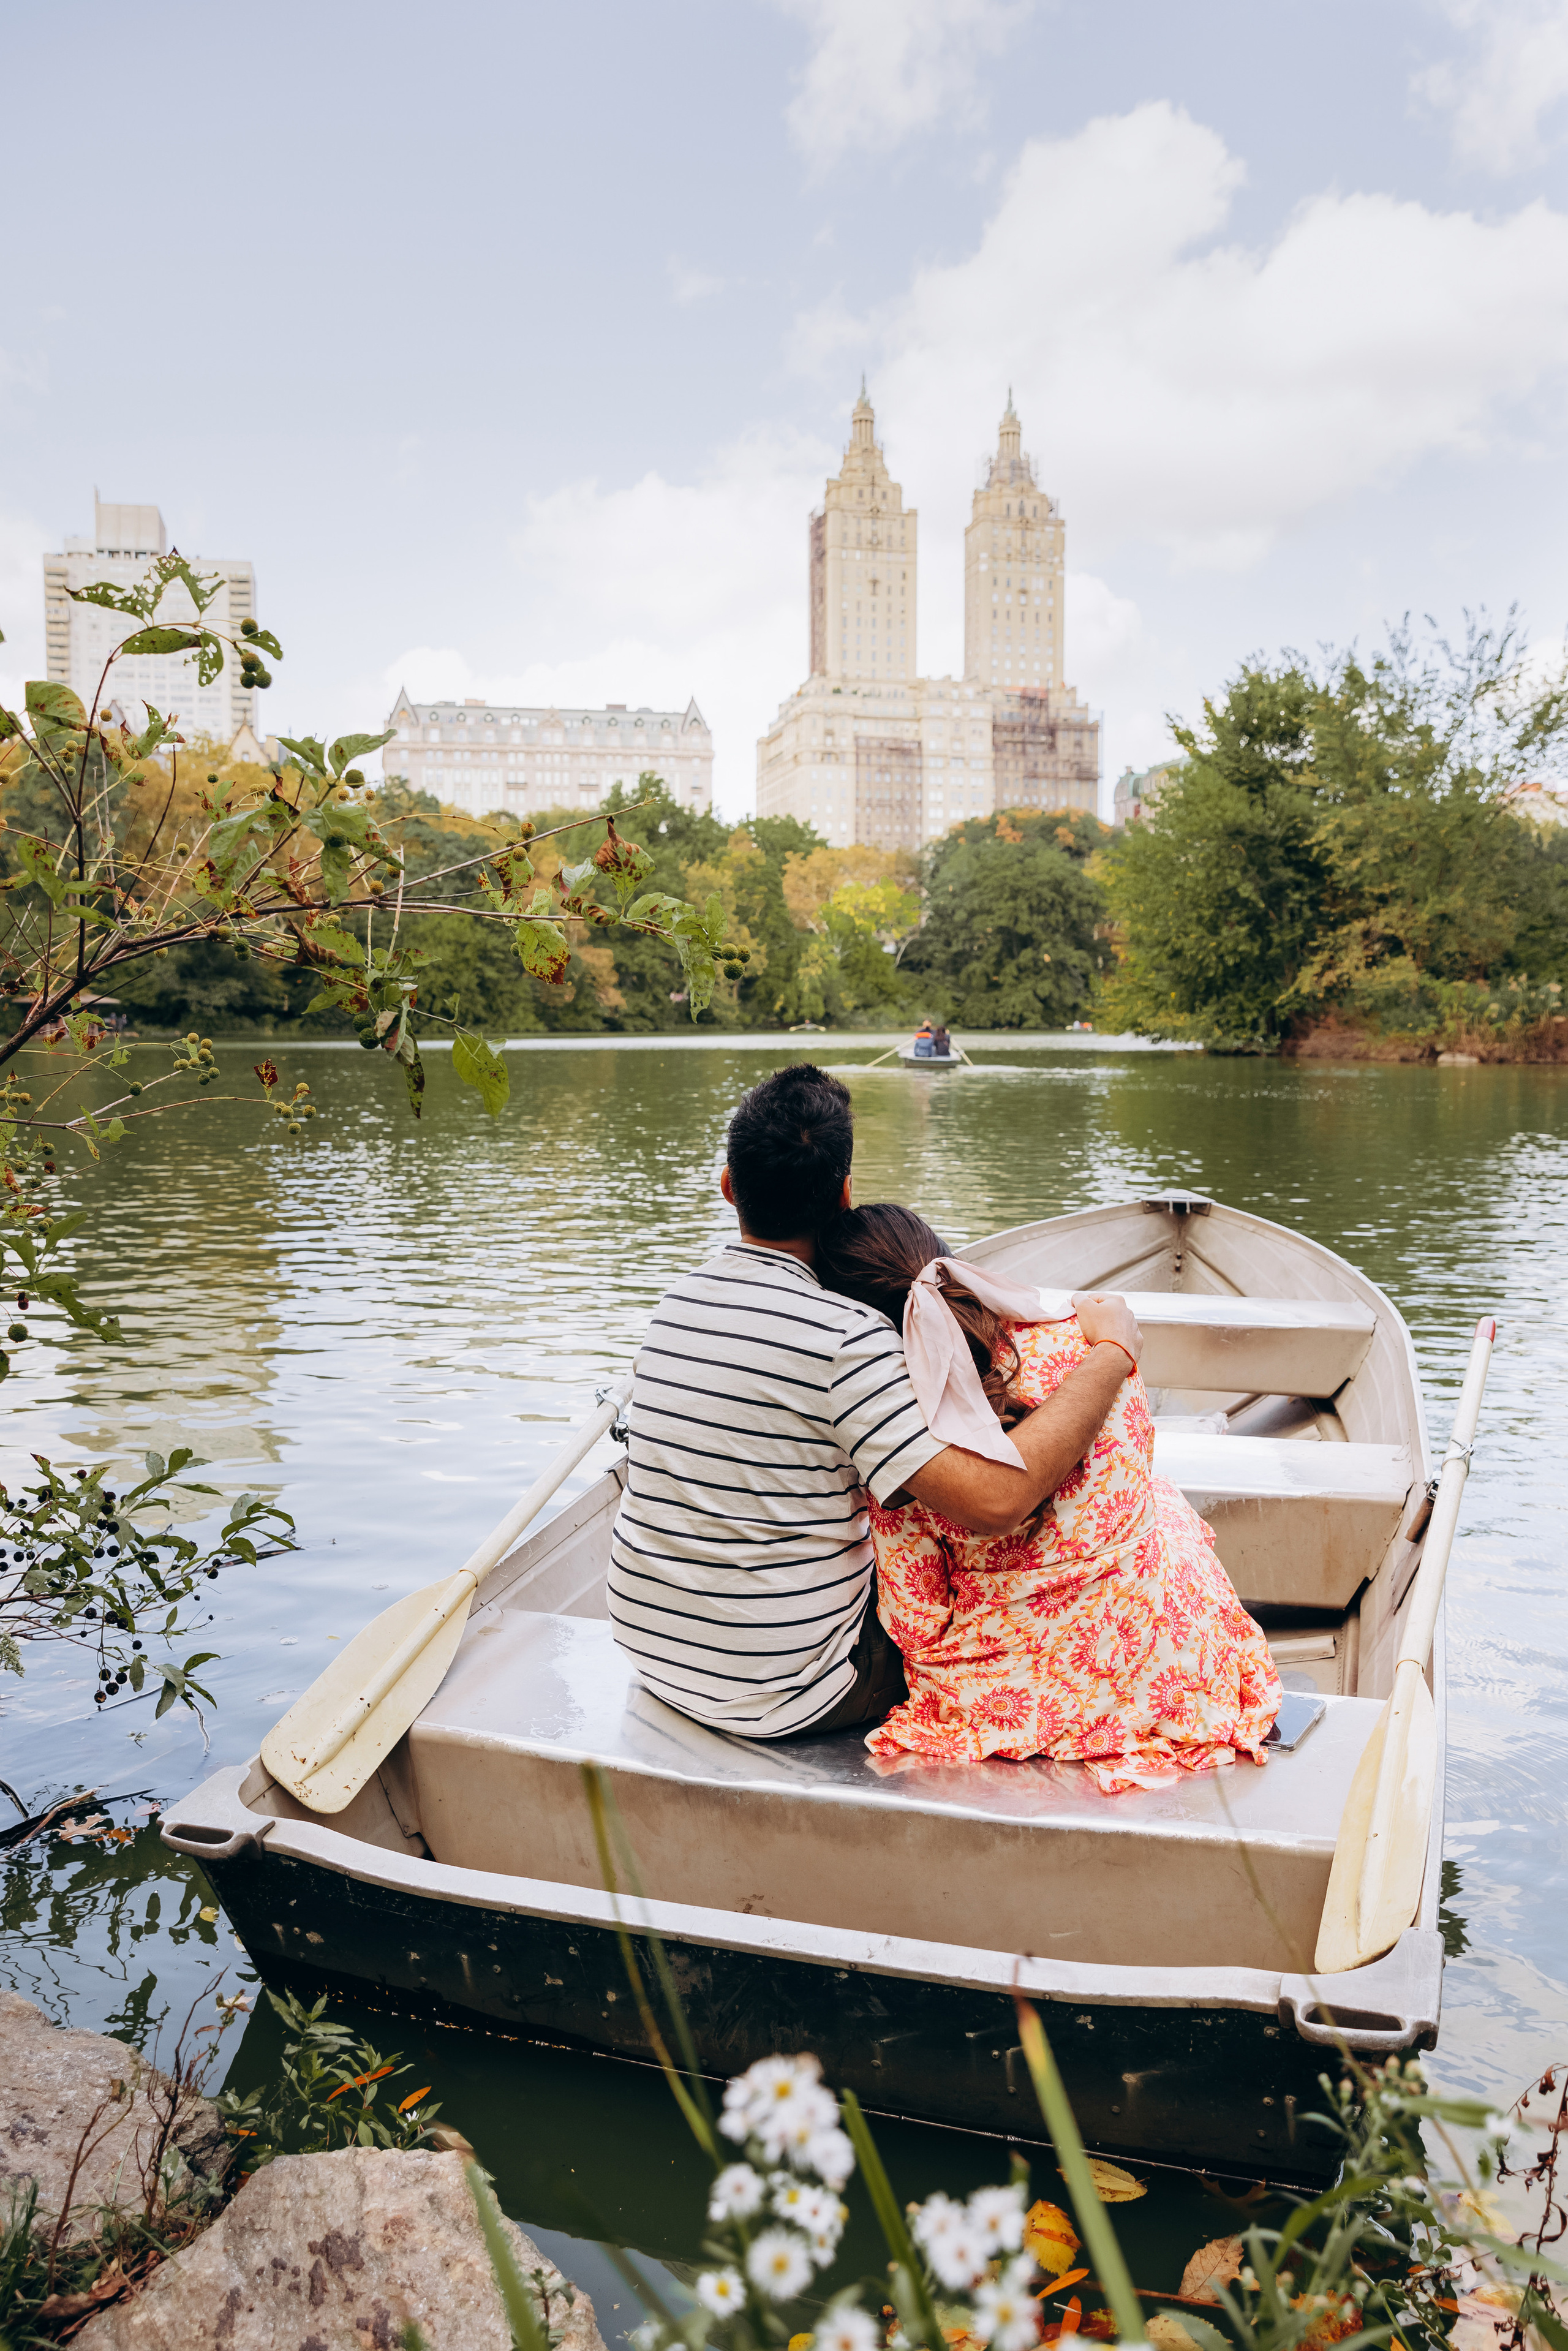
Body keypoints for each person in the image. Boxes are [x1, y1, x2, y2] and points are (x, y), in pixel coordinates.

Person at [606, 1064, 1144, 1739]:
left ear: (727, 1187)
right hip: (788, 1688)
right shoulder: (844, 1338)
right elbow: (996, 1500)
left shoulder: (675, 1303)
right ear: (844, 1196)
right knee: (995, 1595)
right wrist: (1109, 1355)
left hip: (651, 1654)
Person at [813, 1204, 1282, 1790]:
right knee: (1160, 1503)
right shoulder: (1091, 1340)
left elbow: (917, 1621)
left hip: (1007, 1705)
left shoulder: (901, 1435)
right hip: (1162, 1671)